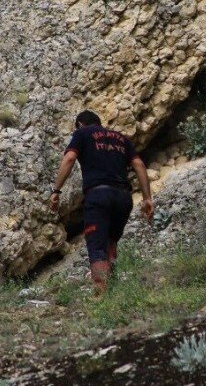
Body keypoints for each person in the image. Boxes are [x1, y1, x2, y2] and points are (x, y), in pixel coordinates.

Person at [49, 110, 154, 296]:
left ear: (80, 124)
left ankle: (100, 293)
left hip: (98, 195)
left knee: (96, 245)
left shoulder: (81, 134)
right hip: (123, 197)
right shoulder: (121, 138)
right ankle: (111, 290)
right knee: (110, 241)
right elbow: (139, 165)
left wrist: (56, 191)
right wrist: (147, 198)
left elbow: (70, 158)